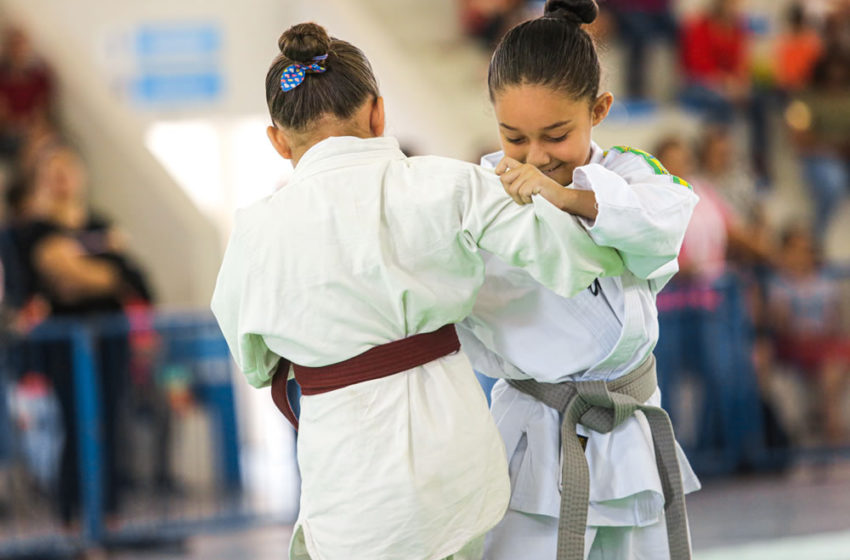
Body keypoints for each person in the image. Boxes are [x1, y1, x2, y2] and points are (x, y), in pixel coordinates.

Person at [210, 22, 625, 560]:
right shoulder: (451, 183)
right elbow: (575, 261)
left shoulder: (255, 231)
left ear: (277, 139)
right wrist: (585, 196)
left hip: (345, 469)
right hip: (454, 458)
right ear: (378, 112)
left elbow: (254, 361)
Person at [454, 2, 700, 559]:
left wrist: (563, 198)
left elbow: (660, 228)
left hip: (629, 427)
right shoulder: (482, 197)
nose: (535, 157)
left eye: (556, 135)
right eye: (515, 138)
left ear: (600, 109)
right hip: (533, 436)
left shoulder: (631, 175)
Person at [768, 225, 850, 445]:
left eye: (806, 249)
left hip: (821, 344)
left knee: (833, 366)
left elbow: (834, 320)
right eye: (795, 249)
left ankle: (830, 429)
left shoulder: (825, 280)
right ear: (785, 253)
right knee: (830, 365)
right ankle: (829, 432)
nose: (802, 255)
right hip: (792, 344)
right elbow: (780, 324)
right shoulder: (778, 282)